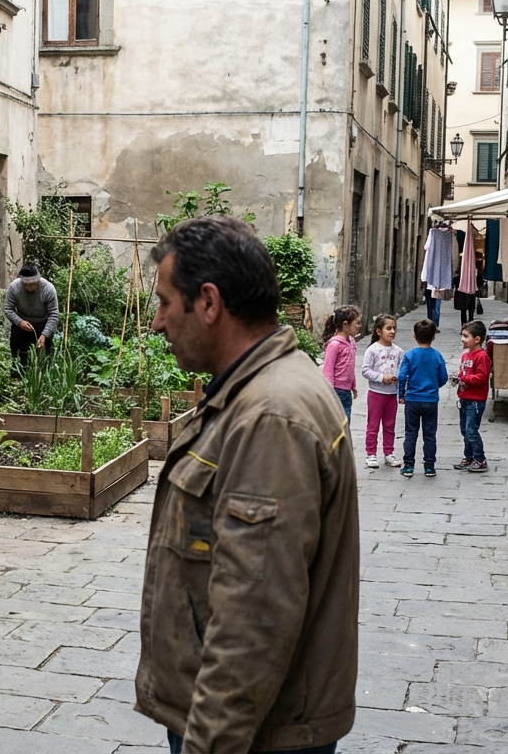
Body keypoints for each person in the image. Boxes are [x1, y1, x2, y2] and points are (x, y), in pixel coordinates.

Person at [135, 215, 360, 754]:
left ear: (208, 303)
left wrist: (208, 743)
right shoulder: (258, 391)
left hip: (255, 734)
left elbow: (253, 619)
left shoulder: (270, 416)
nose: (156, 322)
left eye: (166, 302)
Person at [396, 319, 449, 478]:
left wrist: (402, 394)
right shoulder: (437, 355)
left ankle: (408, 466)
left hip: (412, 400)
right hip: (431, 400)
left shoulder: (409, 355)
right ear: (434, 337)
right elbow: (444, 377)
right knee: (430, 434)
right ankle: (429, 466)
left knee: (411, 433)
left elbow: (401, 377)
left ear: (414, 335)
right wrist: (433, 387)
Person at [360, 315, 404, 469]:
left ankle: (389, 453)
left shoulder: (398, 351)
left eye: (394, 328)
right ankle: (371, 453)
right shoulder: (372, 350)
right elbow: (365, 370)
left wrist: (398, 379)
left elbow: (403, 370)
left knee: (390, 425)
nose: (392, 331)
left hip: (392, 394)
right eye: (388, 328)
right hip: (376, 393)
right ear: (379, 331)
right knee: (373, 425)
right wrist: (381, 377)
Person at [452, 320, 492, 473]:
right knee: (465, 430)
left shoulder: (481, 356)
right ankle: (468, 457)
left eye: (466, 336)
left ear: (477, 339)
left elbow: (482, 377)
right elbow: (465, 373)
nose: (463, 339)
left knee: (471, 430)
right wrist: (458, 378)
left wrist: (463, 379)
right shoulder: (466, 355)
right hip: (465, 398)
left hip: (475, 400)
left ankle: (480, 459)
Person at [3, 263, 59, 363]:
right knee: (19, 356)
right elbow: (8, 309)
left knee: (44, 357)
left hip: (43, 323)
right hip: (21, 324)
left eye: (33, 284)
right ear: (21, 282)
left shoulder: (48, 289)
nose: (30, 288)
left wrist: (44, 335)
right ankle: (17, 375)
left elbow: (53, 314)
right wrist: (20, 322)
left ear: (38, 281)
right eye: (26, 285)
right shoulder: (14, 287)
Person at [321, 305, 362, 423]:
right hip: (336, 391)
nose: (359, 326)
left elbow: (350, 367)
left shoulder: (351, 342)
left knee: (346, 423)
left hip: (346, 392)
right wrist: (329, 392)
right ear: (345, 324)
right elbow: (327, 370)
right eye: (357, 323)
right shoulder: (334, 344)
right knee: (336, 425)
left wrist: (353, 385)